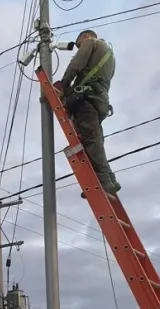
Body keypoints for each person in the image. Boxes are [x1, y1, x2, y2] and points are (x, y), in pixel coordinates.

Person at [55, 29, 119, 197]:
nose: (79, 48)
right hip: (100, 102)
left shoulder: (91, 43)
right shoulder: (110, 55)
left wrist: (63, 85)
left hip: (87, 100)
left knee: (91, 141)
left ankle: (103, 180)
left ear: (84, 37)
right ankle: (109, 179)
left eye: (78, 45)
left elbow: (76, 64)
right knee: (96, 140)